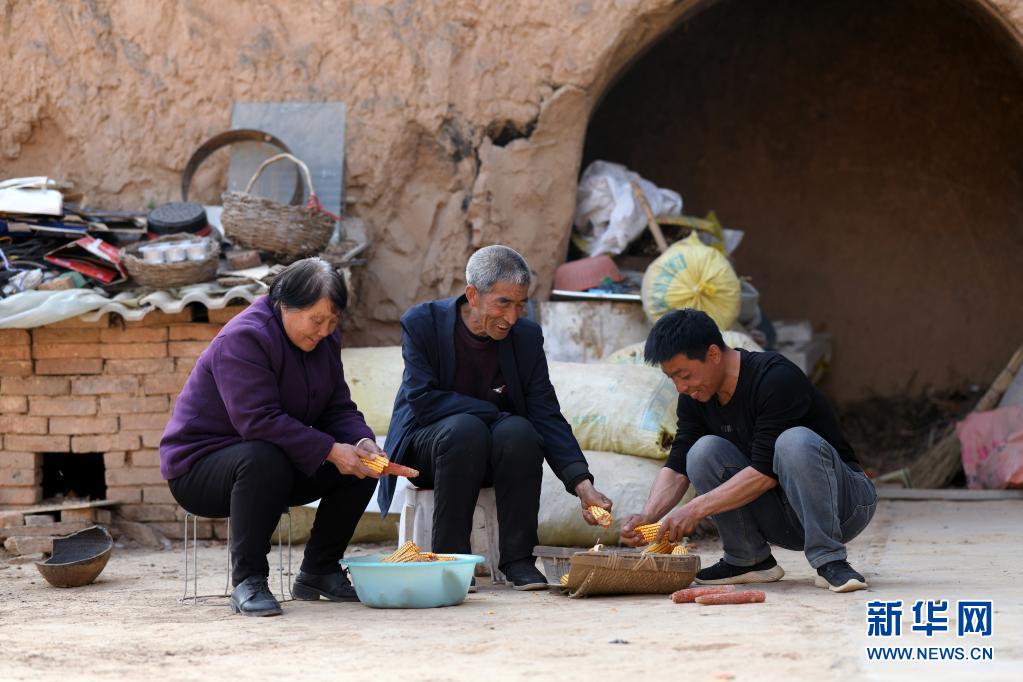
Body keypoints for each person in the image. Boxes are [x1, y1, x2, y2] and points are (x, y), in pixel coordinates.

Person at [160, 258, 385, 616]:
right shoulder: (245, 337)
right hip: (201, 468)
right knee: (263, 456)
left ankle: (320, 570)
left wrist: (361, 442)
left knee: (364, 467)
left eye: (332, 321)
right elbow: (257, 421)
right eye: (316, 320)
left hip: (278, 460)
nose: (324, 330)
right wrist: (329, 449)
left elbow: (337, 407)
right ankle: (249, 580)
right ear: (285, 305)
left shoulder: (324, 340)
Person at [380, 245, 613, 590]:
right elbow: (424, 401)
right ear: (473, 295)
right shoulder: (423, 324)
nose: (512, 317)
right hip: (429, 450)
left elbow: (546, 414)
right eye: (503, 303)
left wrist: (583, 485)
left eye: (520, 305)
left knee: (520, 431)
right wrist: (493, 410)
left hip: (492, 452)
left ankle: (518, 560)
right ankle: (451, 560)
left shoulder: (525, 338)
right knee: (466, 429)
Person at [620, 309, 877, 593]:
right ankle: (748, 559)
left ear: (713, 354)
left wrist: (694, 508)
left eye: (685, 374)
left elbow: (764, 473)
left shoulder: (776, 378)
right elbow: (678, 464)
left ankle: (831, 560)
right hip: (784, 519)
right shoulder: (695, 396)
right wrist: (648, 515)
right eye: (672, 378)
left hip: (845, 508)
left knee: (793, 441)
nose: (681, 387)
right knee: (701, 451)